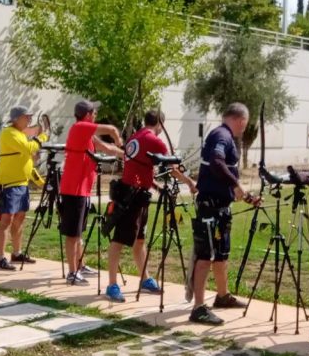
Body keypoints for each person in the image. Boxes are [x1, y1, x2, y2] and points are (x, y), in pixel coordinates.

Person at [104, 109, 196, 302]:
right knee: (119, 240)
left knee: (139, 240)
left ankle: (145, 279)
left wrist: (155, 185)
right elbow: (173, 168)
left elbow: (138, 167)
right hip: (133, 196)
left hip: (134, 193)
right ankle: (112, 285)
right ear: (160, 124)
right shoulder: (155, 140)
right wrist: (189, 182)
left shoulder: (134, 137)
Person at [189, 103, 260, 325]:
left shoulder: (225, 136)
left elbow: (222, 171)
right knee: (204, 258)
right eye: (244, 125)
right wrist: (237, 185)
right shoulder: (222, 135)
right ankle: (198, 308)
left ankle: (222, 296)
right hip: (210, 208)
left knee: (220, 256)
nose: (243, 129)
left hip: (221, 208)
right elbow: (217, 162)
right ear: (241, 120)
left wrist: (244, 195)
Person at [58, 100, 123, 285]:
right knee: (73, 234)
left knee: (79, 231)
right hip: (74, 189)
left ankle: (80, 264)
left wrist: (126, 154)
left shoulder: (87, 134)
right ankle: (72, 272)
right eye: (94, 113)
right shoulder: (80, 127)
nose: (95, 116)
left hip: (82, 190)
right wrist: (119, 138)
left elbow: (106, 148)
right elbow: (111, 129)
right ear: (87, 114)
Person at [0, 105, 49, 271]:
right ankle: (0, 257)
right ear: (17, 118)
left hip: (22, 185)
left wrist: (41, 183)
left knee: (20, 219)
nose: (30, 120)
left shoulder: (21, 135)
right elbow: (29, 149)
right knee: (6, 221)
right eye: (27, 117)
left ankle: (16, 253)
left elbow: (28, 163)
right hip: (10, 185)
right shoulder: (9, 133)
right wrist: (43, 136)